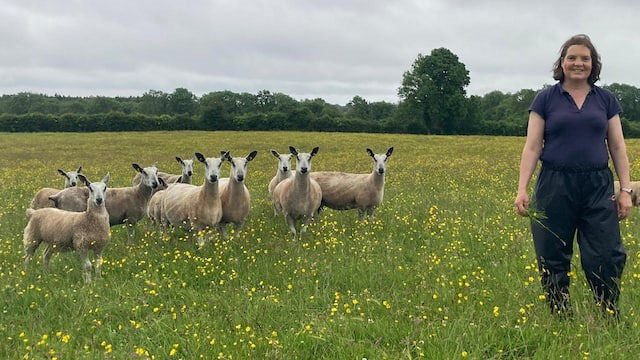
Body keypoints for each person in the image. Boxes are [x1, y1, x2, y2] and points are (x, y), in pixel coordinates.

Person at [515, 34, 631, 317]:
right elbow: (532, 147)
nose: (578, 63)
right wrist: (522, 189)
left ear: (593, 64)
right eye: (572, 58)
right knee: (552, 250)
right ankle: (559, 312)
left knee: (606, 252)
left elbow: (617, 146)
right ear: (562, 62)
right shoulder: (545, 99)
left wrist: (625, 190)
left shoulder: (606, 99)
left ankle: (607, 310)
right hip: (554, 183)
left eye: (585, 58)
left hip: (597, 185)